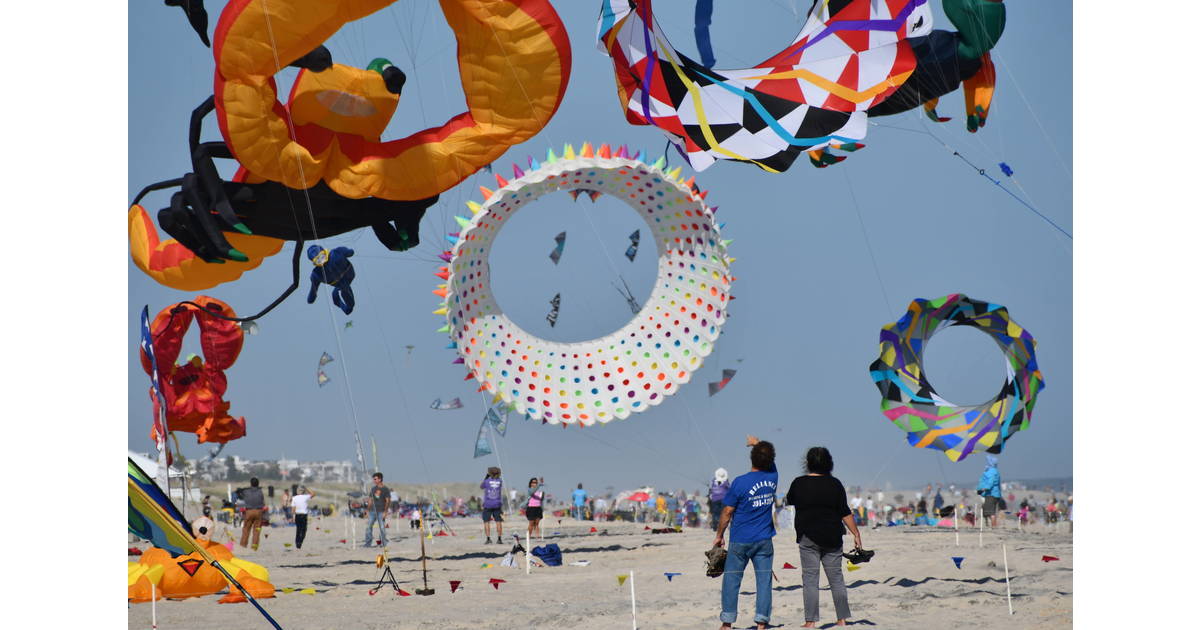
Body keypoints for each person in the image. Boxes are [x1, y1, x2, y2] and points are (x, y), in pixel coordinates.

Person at [786, 447, 862, 627]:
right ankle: (842, 619)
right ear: (829, 463)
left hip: (807, 537)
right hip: (833, 537)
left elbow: (790, 500)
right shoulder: (835, 484)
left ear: (808, 463)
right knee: (836, 578)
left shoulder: (798, 483)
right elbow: (845, 512)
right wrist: (856, 533)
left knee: (810, 579)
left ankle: (810, 622)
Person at [714, 436, 778, 630]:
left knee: (732, 579)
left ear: (751, 458)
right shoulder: (773, 477)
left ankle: (727, 622)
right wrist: (758, 444)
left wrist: (719, 535)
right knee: (764, 581)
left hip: (741, 540)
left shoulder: (740, 482)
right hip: (764, 539)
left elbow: (727, 512)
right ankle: (761, 622)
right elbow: (770, 460)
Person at [364, 472, 391, 547]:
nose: (374, 481)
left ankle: (383, 543)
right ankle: (368, 543)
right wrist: (367, 510)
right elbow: (370, 500)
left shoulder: (385, 489)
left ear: (380, 479)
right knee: (368, 527)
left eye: (375, 479)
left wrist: (385, 512)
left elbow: (388, 501)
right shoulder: (373, 489)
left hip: (381, 511)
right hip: (372, 511)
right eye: (374, 479)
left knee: (382, 528)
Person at [239, 477, 266, 550]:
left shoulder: (246, 491)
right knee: (257, 530)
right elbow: (263, 501)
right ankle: (254, 547)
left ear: (251, 483)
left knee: (246, 529)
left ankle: (243, 545)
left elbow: (240, 495)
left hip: (249, 511)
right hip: (258, 511)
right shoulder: (260, 491)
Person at [976, 455, 1002, 528]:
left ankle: (994, 526)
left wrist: (983, 489)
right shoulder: (994, 471)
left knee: (990, 512)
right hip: (993, 494)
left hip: (991, 494)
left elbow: (990, 482)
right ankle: (993, 526)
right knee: (989, 511)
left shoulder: (992, 471)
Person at [481, 467, 504, 543]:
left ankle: (488, 538)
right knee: (498, 521)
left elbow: (481, 486)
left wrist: (486, 477)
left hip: (488, 504)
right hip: (497, 503)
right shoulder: (500, 481)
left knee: (486, 521)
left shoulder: (487, 481)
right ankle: (499, 539)